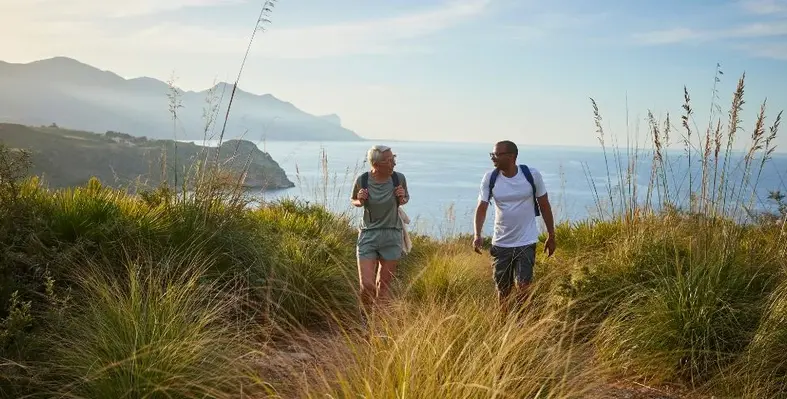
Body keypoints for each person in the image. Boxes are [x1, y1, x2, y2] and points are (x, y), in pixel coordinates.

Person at [472, 140, 556, 315]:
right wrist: (477, 234)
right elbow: (482, 208)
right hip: (501, 243)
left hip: (526, 241)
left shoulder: (531, 175)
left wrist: (551, 234)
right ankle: (503, 324)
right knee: (503, 290)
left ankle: (522, 323)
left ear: (511, 156)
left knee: (524, 287)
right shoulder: (490, 178)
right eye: (492, 155)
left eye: (496, 155)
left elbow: (544, 205)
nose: (493, 158)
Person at [351, 145, 409, 315]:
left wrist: (401, 197)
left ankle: (377, 328)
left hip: (392, 235)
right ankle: (365, 320)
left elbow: (404, 199)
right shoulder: (362, 180)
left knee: (382, 288)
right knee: (367, 285)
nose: (394, 164)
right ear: (376, 164)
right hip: (368, 235)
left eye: (394, 159)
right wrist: (359, 201)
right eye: (390, 160)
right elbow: (354, 200)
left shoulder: (399, 179)